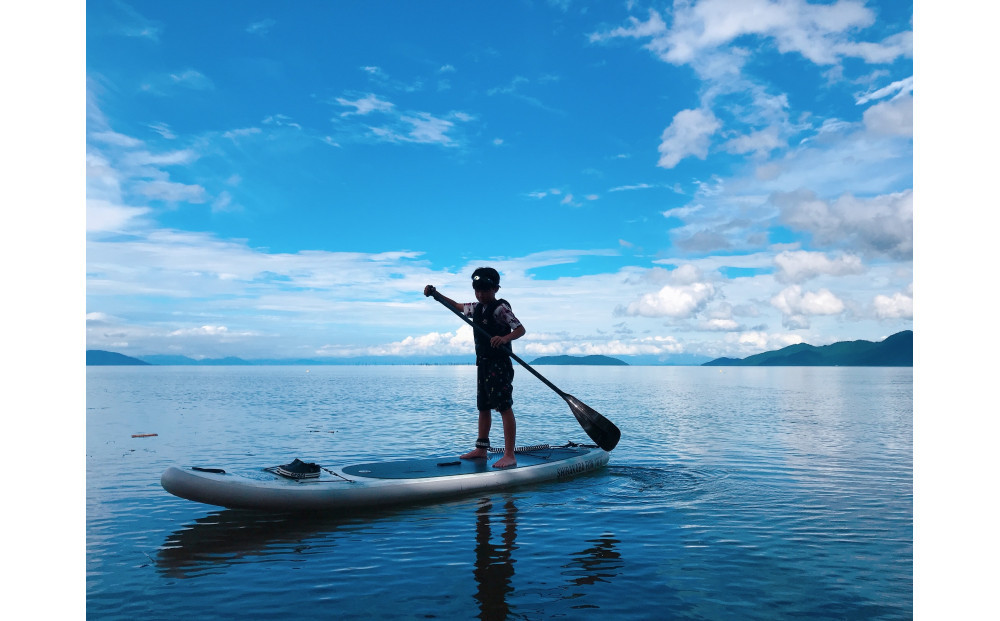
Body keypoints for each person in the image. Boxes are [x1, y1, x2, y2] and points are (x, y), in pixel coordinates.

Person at [424, 267, 526, 468]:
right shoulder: (476, 308)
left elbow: (520, 329)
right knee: (484, 406)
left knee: (504, 407)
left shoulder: (501, 309)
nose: (480, 294)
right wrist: (435, 294)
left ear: (496, 288)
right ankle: (481, 449)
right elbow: (455, 306)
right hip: (484, 364)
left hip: (500, 364)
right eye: (477, 290)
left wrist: (505, 338)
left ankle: (509, 454)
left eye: (485, 290)